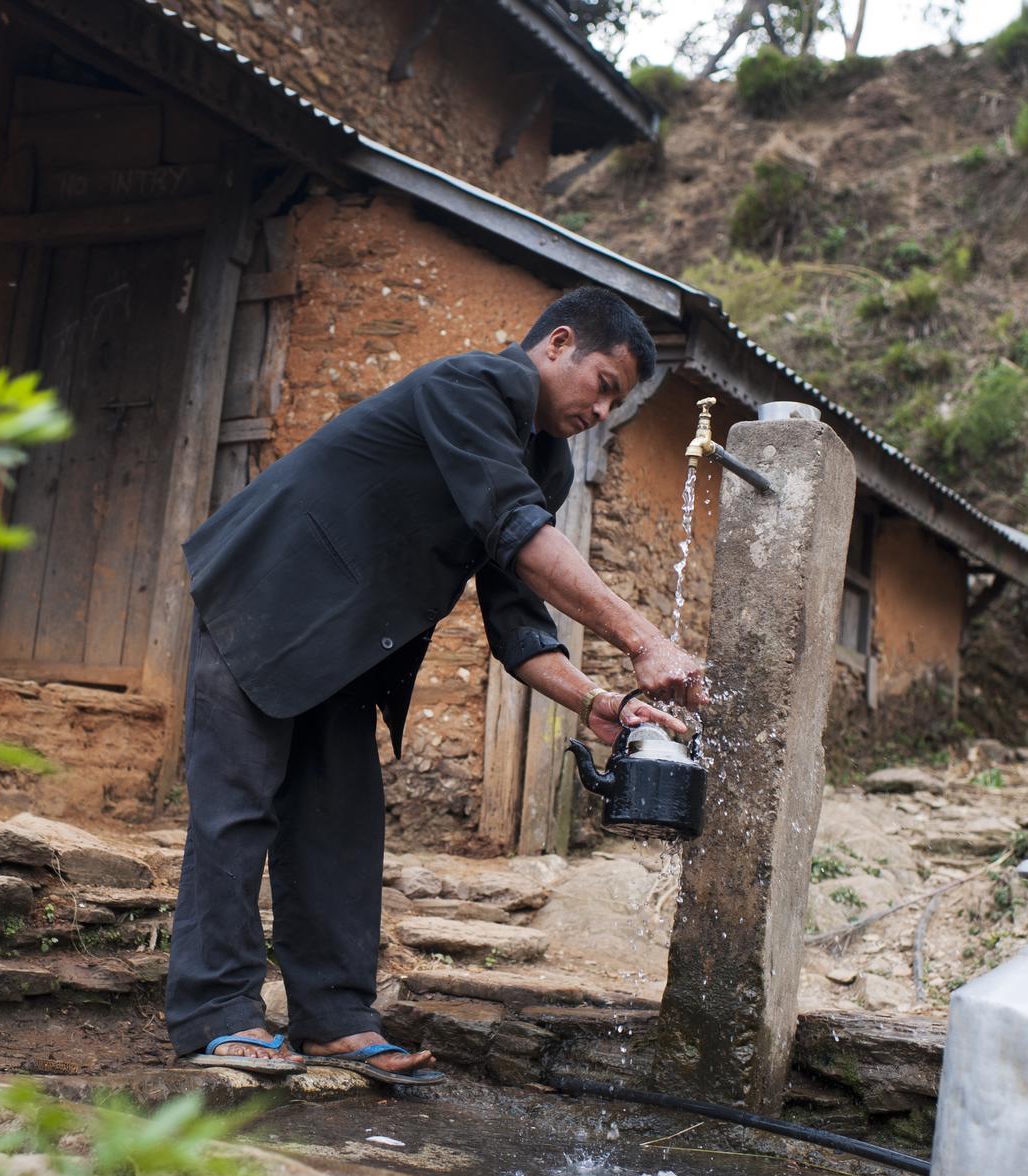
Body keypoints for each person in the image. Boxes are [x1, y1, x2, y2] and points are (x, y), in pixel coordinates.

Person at [167, 286, 706, 1084]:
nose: (603, 412)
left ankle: (336, 1019)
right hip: (266, 595)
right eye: (603, 385)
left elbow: (517, 623)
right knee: (239, 807)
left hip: (347, 649)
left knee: (341, 825)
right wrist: (641, 638)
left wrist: (598, 702)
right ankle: (217, 1013)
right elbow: (515, 532)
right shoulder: (469, 386)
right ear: (557, 345)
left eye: (618, 404)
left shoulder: (544, 463)